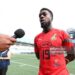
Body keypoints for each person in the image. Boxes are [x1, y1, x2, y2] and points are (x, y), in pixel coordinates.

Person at [34, 8, 75, 75]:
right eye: (40, 15)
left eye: (44, 14)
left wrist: (64, 62)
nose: (41, 16)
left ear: (51, 17)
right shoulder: (36, 38)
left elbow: (72, 54)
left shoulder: (62, 33)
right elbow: (38, 56)